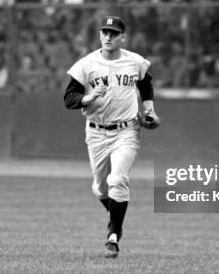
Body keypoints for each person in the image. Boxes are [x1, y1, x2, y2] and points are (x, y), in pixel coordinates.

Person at [63, 16, 160, 258]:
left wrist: (149, 111)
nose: (108, 36)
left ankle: (113, 235)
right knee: (100, 188)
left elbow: (145, 83)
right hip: (96, 132)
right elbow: (69, 99)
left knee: (118, 180)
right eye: (104, 32)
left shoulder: (134, 61)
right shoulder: (86, 64)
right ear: (99, 35)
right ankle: (116, 217)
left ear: (122, 38)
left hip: (127, 131)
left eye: (113, 33)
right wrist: (88, 98)